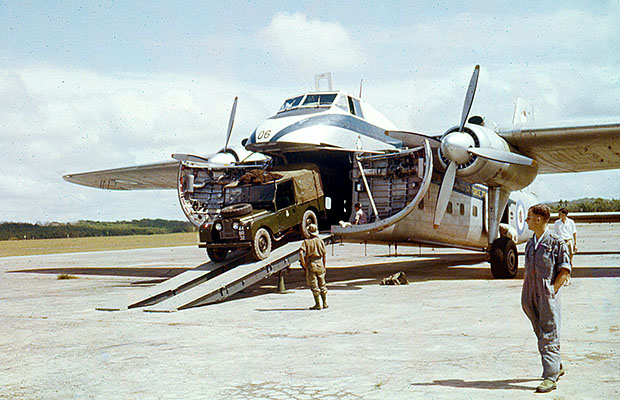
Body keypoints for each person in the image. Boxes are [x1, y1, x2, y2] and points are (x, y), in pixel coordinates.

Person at [522, 204, 571, 393]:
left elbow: (565, 270)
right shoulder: (530, 242)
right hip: (530, 294)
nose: (527, 220)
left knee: (548, 332)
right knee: (540, 331)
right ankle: (556, 364)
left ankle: (550, 377)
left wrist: (552, 290)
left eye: (529, 217)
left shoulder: (556, 242)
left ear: (539, 219)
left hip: (546, 295)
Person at [299, 224, 328, 310]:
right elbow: (324, 254)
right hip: (320, 264)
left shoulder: (306, 242)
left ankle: (318, 304)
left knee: (314, 285)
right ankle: (325, 303)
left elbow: (301, 252)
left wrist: (304, 264)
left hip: (311, 264)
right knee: (322, 284)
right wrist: (324, 265)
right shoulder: (320, 241)